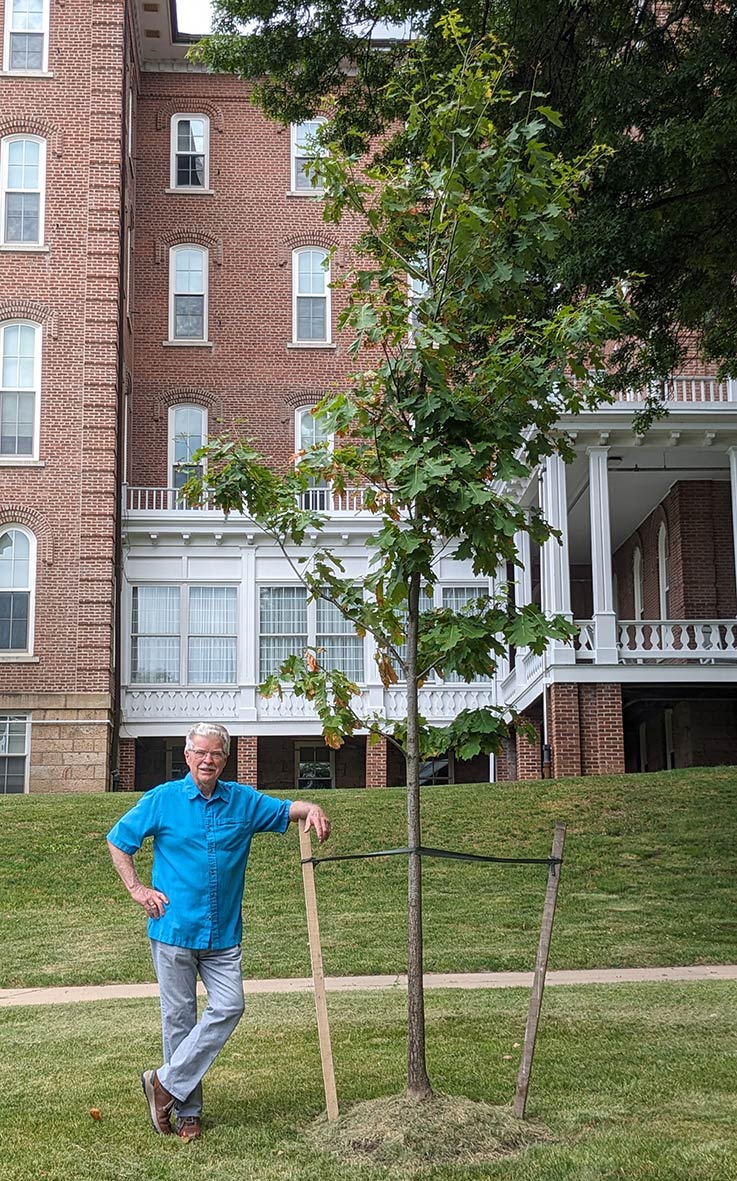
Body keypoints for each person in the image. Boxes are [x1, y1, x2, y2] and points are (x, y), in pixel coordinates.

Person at [106, 722, 330, 1141]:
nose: (208, 760)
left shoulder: (242, 802)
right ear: (188, 757)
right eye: (201, 753)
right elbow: (119, 841)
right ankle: (187, 1112)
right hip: (173, 929)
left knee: (230, 1006)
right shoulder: (163, 800)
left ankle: (164, 1084)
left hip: (223, 934)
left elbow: (285, 810)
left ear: (225, 760)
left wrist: (311, 807)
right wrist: (137, 889)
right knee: (179, 1021)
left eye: (216, 754)